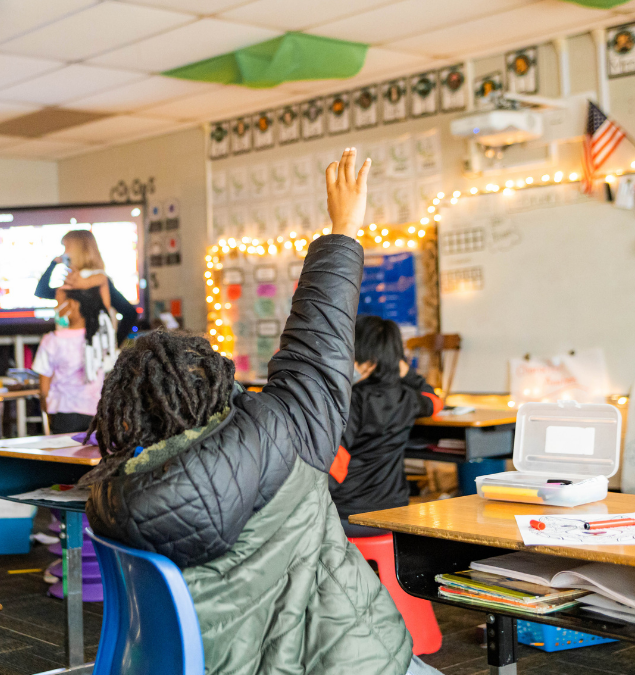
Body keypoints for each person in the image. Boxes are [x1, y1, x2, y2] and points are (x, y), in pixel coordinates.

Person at [83, 149, 437, 675]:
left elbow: (313, 355)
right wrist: (343, 228)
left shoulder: (113, 495)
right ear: (215, 386)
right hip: (347, 660)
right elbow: (317, 340)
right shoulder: (285, 431)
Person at [329, 316, 443, 538]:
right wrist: (406, 372)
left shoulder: (353, 400)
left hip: (350, 515)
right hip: (395, 512)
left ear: (370, 362)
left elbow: (336, 461)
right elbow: (435, 401)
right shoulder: (408, 397)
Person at [35, 230, 138, 341]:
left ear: (79, 250)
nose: (63, 253)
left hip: (94, 351)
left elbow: (130, 313)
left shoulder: (99, 280)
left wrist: (114, 342)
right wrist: (54, 263)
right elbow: (42, 291)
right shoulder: (71, 281)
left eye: (66, 247)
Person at [32, 288, 108, 435]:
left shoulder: (52, 340)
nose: (56, 307)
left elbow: (43, 389)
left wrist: (47, 410)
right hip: (96, 412)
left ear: (72, 304)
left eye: (59, 302)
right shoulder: (101, 338)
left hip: (64, 414)